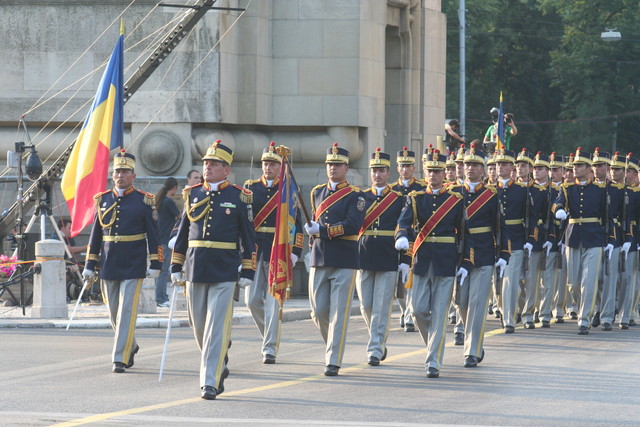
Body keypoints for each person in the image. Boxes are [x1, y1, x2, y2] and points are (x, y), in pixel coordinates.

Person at [170, 139, 256, 399]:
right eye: (206, 163)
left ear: (226, 170)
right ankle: (219, 361)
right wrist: (176, 265)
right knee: (199, 327)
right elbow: (184, 233)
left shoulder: (239, 197)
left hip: (224, 270)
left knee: (215, 327)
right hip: (195, 269)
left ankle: (209, 381)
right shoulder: (192, 193)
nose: (208, 167)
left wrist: (248, 269)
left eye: (214, 164)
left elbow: (248, 237)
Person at [83, 149, 163, 373]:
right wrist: (90, 264)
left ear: (133, 176)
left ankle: (119, 357)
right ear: (112, 174)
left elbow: (154, 234)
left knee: (126, 311)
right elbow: (96, 235)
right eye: (117, 171)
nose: (120, 175)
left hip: (133, 262)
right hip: (109, 263)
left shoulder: (144, 201)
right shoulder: (103, 199)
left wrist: (156, 262)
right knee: (113, 312)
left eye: (125, 171)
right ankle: (132, 344)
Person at [395, 148, 472, 377]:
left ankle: (433, 361)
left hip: (446, 260)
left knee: (439, 312)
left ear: (444, 174)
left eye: (438, 171)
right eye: (430, 171)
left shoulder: (455, 200)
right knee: (418, 310)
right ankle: (434, 345)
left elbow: (465, 234)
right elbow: (404, 221)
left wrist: (466, 262)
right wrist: (401, 236)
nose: (434, 175)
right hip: (421, 260)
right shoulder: (416, 198)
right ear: (424, 172)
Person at [304, 142, 365, 376]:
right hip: (319, 257)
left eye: (338, 165)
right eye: (330, 164)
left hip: (344, 258)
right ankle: (332, 344)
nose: (333, 168)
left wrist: (322, 230)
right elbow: (313, 221)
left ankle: (333, 359)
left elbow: (352, 225)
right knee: (318, 311)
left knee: (339, 312)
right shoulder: (316, 192)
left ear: (346, 168)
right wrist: (312, 236)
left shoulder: (355, 195)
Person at [243, 142, 303, 364]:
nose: (268, 168)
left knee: (273, 302)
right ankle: (270, 334)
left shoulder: (288, 189)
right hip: (256, 250)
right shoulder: (250, 188)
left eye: (272, 164)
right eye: (265, 164)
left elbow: (297, 222)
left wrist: (296, 250)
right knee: (252, 302)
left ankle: (269, 347)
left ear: (280, 167)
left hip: (278, 250)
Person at [455, 144, 509, 366]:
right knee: (461, 302)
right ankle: (473, 339)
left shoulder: (491, 195)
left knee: (477, 303)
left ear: (483, 169)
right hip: (459, 255)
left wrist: (504, 253)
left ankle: (472, 350)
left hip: (484, 252)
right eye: (468, 165)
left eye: (476, 165)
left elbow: (500, 226)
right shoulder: (454, 193)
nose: (471, 169)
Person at [553, 148, 613, 335]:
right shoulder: (567, 187)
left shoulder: (600, 190)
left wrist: (610, 239)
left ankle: (584, 320)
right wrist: (559, 209)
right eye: (575, 165)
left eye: (579, 166)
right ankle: (588, 308)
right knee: (573, 283)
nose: (575, 168)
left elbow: (607, 216)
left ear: (588, 169)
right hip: (573, 237)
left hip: (594, 237)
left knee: (589, 281)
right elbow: (557, 202)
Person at [356, 148, 404, 366]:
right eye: (374, 170)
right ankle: (377, 338)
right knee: (366, 306)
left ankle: (375, 348)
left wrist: (405, 259)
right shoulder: (361, 197)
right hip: (364, 255)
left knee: (381, 306)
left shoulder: (398, 199)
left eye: (381, 170)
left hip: (387, 255)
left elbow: (405, 227)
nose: (377, 174)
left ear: (388, 173)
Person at [495, 148, 537, 333]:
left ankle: (509, 319)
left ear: (511, 167)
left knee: (510, 281)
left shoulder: (522, 190)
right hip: (494, 241)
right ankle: (505, 311)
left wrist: (530, 239)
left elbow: (532, 218)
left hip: (515, 239)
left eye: (505, 164)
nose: (501, 167)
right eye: (498, 164)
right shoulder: (490, 190)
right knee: (497, 285)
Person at [392, 146, 426, 332]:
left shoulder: (421, 188)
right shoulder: (392, 189)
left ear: (414, 168)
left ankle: (409, 315)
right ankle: (404, 309)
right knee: (399, 281)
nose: (405, 169)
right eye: (402, 166)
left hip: (416, 238)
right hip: (397, 239)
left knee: (411, 278)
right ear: (397, 168)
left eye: (408, 166)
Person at [591, 149, 624, 331]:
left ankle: (607, 316)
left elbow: (621, 216)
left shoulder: (617, 190)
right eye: (594, 166)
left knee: (609, 278)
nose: (597, 169)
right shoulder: (588, 188)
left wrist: (618, 238)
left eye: (601, 166)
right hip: (593, 236)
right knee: (594, 278)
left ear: (607, 168)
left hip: (613, 237)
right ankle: (597, 308)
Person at [154, 177, 180, 308]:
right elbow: (179, 217)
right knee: (163, 271)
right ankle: (161, 298)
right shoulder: (169, 202)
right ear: (174, 188)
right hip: (166, 239)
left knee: (160, 270)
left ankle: (160, 296)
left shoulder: (160, 200)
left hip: (159, 239)